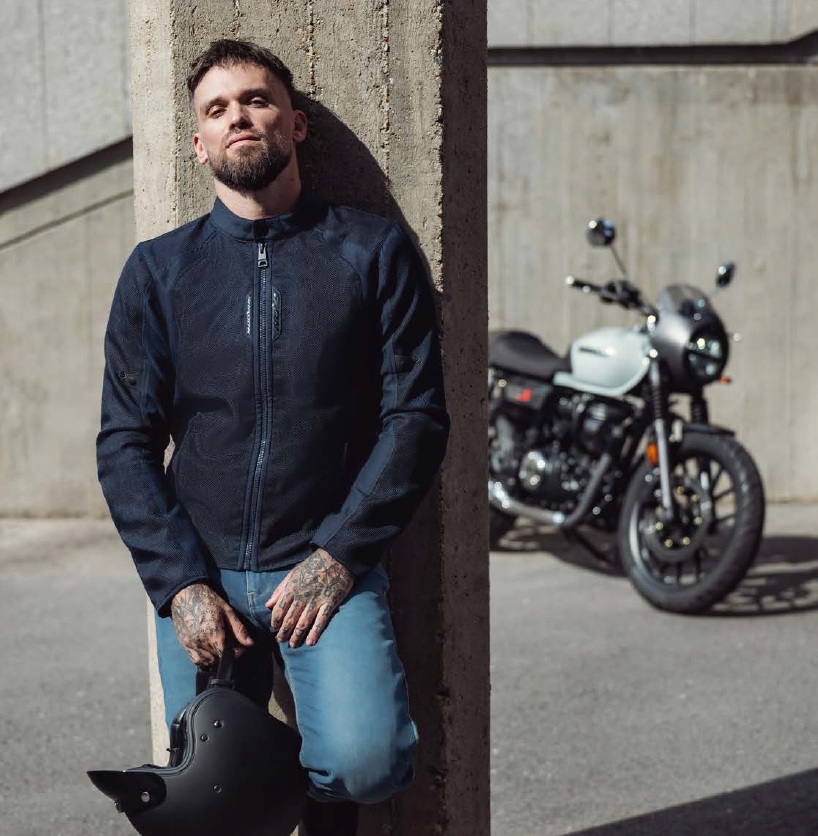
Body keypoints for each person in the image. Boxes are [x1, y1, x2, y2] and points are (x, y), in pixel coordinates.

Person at [96, 37, 449, 836]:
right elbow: (124, 441)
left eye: (256, 100)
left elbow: (417, 417)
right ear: (199, 144)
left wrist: (340, 555)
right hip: (204, 572)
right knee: (206, 791)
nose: (239, 117)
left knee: (365, 761)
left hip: (322, 563)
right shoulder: (159, 271)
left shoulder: (371, 251)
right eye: (217, 109)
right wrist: (180, 585)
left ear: (295, 124)